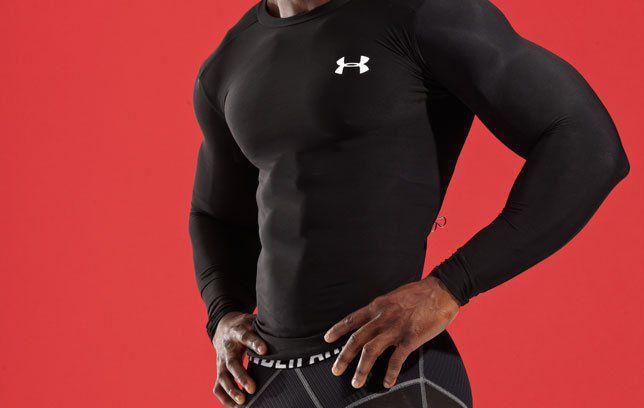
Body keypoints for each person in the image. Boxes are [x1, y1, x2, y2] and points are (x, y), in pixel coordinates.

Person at [188, 0, 629, 406]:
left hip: (392, 376)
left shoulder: (418, 13)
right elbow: (215, 214)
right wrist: (222, 313)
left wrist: (452, 285)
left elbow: (588, 143)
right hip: (271, 383)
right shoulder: (231, 59)